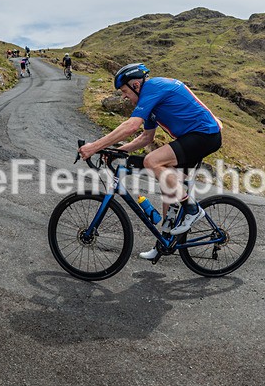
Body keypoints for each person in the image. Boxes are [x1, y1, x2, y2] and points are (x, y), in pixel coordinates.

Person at [78, 63, 223, 260]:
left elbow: (131, 126)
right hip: (195, 137)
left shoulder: (153, 88)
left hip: (205, 135)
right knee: (168, 189)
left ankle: (192, 209)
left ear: (136, 85)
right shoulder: (151, 100)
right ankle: (165, 242)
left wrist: (94, 146)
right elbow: (146, 137)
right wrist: (116, 151)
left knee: (151, 161)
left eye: (124, 91)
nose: (123, 96)